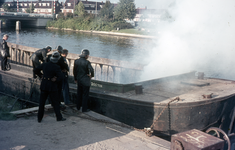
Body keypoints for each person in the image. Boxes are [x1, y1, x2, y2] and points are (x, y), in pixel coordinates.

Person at [34, 51, 66, 122]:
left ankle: (39, 118)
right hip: (52, 86)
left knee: (42, 103)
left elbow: (35, 69)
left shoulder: (45, 64)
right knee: (55, 102)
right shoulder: (57, 67)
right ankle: (59, 117)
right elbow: (61, 77)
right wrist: (56, 79)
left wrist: (41, 75)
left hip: (44, 85)